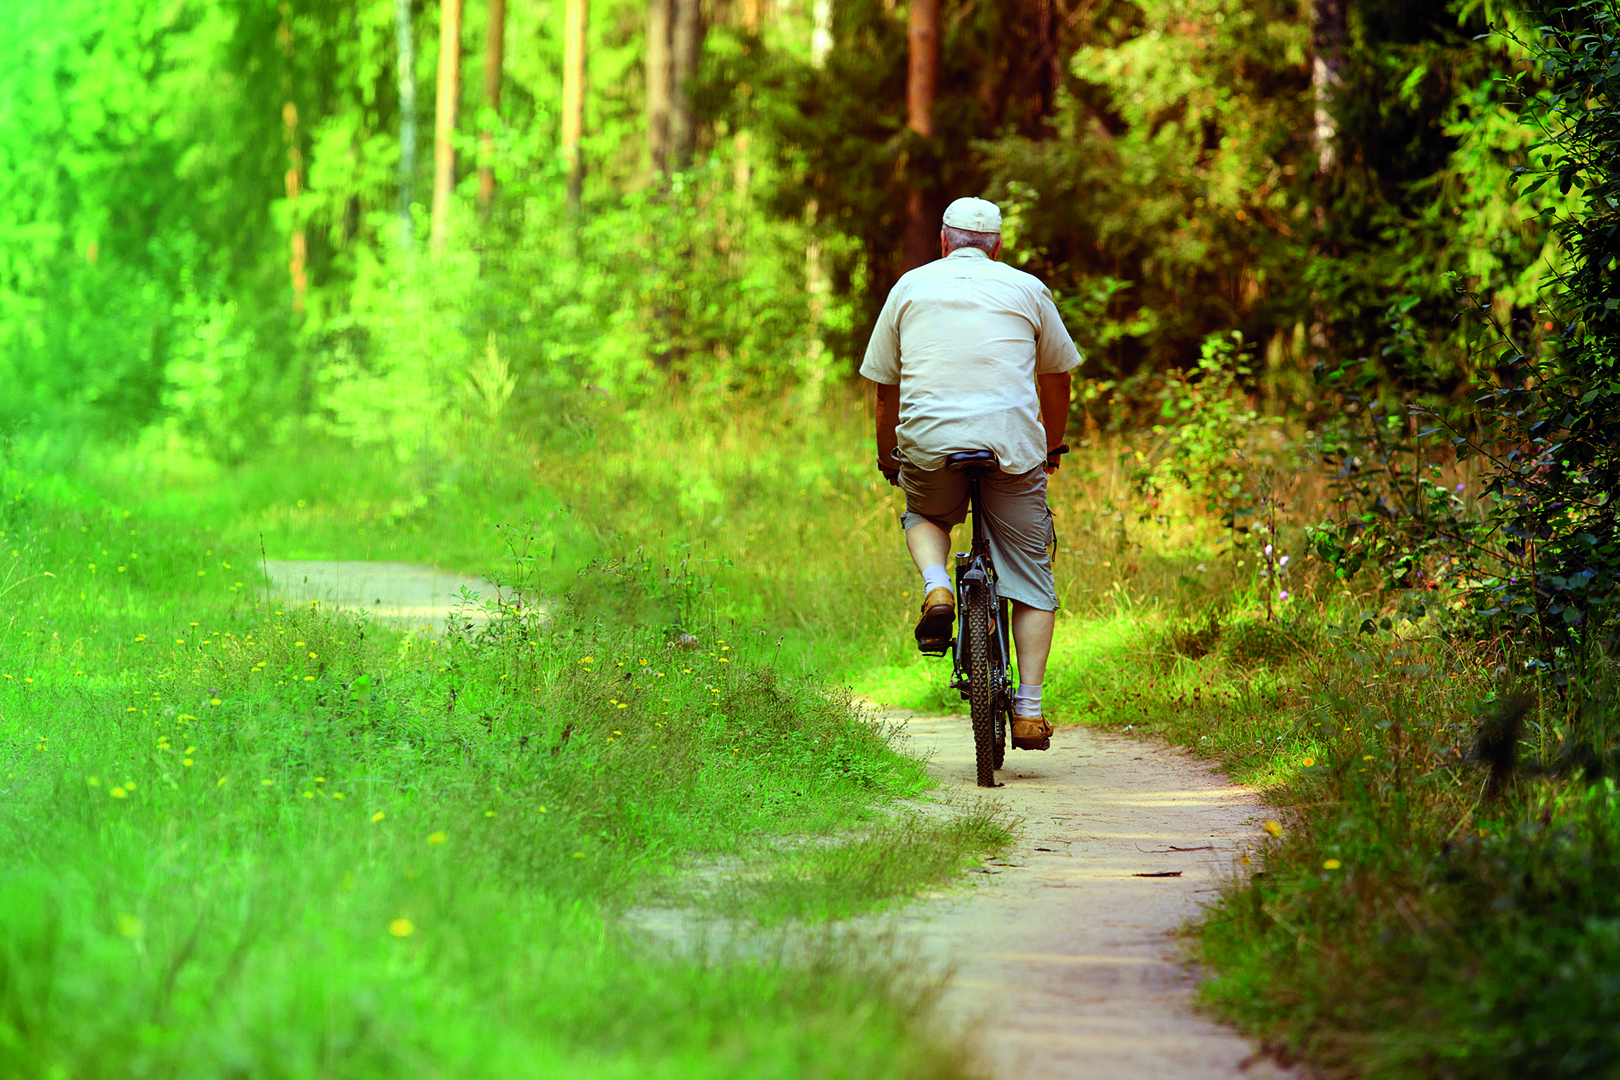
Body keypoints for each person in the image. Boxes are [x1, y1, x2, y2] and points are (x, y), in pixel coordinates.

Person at [860, 196, 1081, 752]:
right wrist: (1051, 446)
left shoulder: (908, 287)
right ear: (997, 246)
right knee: (1030, 572)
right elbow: (1057, 377)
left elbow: (885, 387)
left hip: (929, 443)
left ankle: (937, 587)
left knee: (926, 513)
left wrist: (889, 456)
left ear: (943, 241)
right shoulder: (1028, 288)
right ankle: (1029, 711)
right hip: (1011, 446)